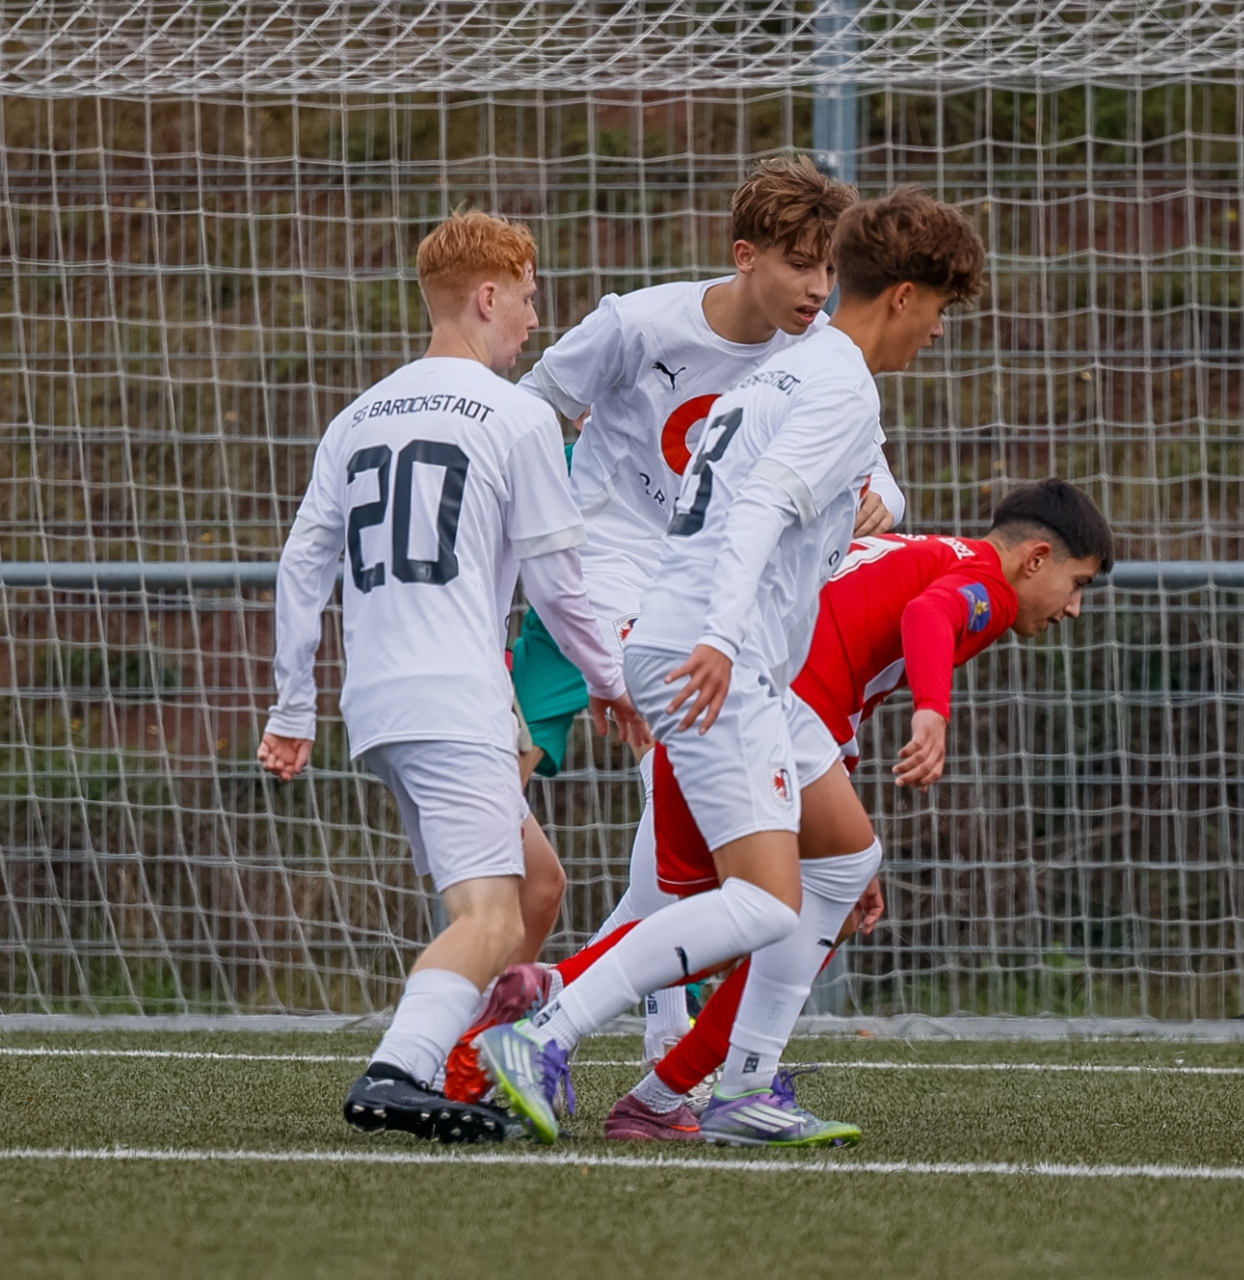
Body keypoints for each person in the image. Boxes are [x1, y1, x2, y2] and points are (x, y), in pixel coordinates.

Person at [474, 187, 986, 1147]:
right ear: (906, 296)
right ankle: (544, 1028)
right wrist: (717, 636)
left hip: (723, 651)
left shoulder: (785, 370)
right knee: (758, 901)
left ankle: (741, 1087)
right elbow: (755, 513)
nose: (938, 333)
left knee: (845, 856)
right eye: (941, 310)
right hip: (714, 652)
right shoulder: (836, 384)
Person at [549, 480, 1114, 1141]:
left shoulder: (932, 551)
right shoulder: (989, 583)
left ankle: (632, 1071)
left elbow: (845, 632)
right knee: (782, 899)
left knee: (762, 912)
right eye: (1078, 584)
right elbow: (930, 616)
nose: (1074, 608)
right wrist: (932, 711)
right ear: (1037, 557)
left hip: (727, 694)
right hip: (766, 701)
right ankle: (606, 1041)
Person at [259, 209, 647, 1143]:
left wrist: (293, 705)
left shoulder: (357, 416)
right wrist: (611, 680)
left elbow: (302, 565)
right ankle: (401, 1071)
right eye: (527, 299)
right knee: (489, 915)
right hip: (453, 699)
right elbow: (559, 583)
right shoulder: (517, 416)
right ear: (486, 295)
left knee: (538, 886)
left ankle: (471, 1063)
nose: (534, 320)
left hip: (381, 703)